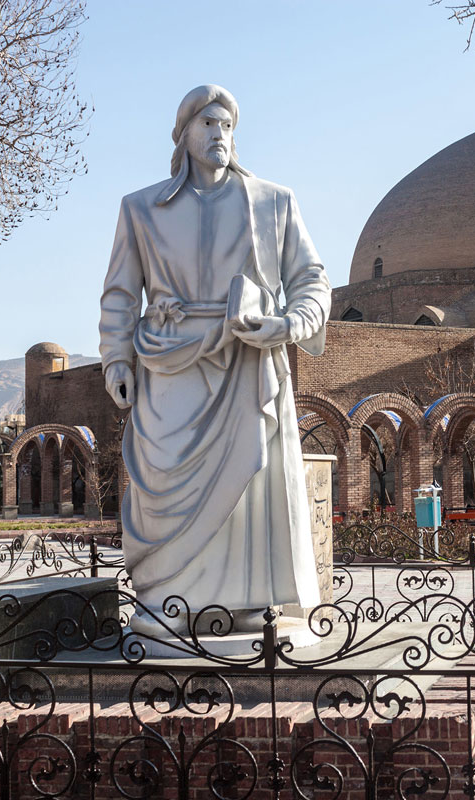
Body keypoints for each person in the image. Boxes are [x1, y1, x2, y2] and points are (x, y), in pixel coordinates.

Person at [99, 85, 330, 634]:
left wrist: (289, 324)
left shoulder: (274, 202)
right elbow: (119, 294)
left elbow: (311, 280)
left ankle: (246, 604)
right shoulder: (141, 209)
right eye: (206, 123)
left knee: (245, 488)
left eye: (226, 125)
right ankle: (167, 603)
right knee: (163, 486)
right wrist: (115, 359)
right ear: (182, 134)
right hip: (167, 366)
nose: (218, 134)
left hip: (246, 362)